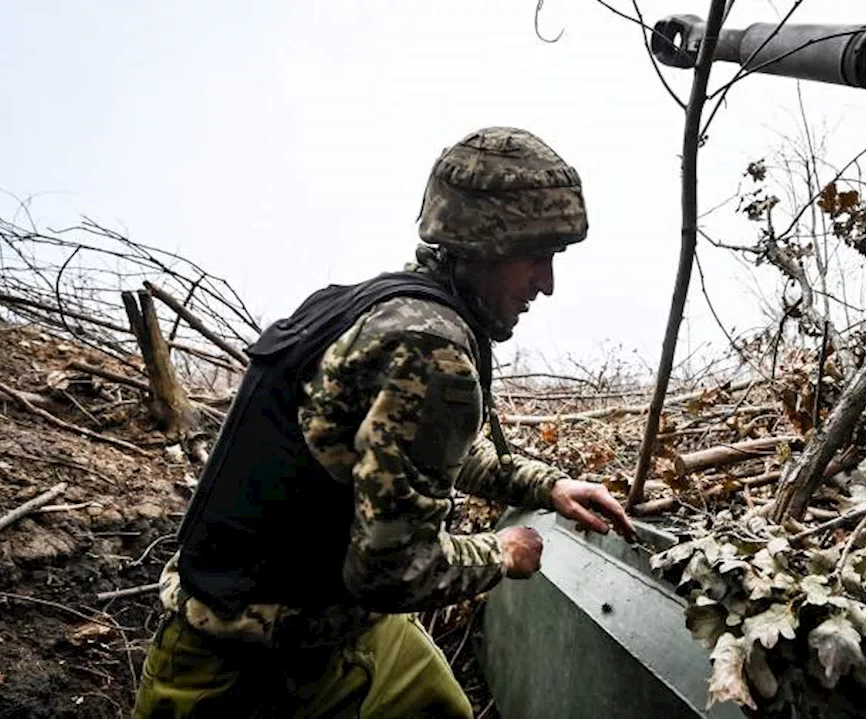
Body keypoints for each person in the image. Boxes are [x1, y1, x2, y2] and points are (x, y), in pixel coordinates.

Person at [132, 126, 635, 718]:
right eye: (537, 259)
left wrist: (543, 485)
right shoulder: (427, 346)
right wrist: (504, 553)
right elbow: (391, 572)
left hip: (333, 629)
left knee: (440, 707)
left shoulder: (374, 306)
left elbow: (394, 450)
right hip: (239, 659)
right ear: (483, 246)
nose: (546, 285)